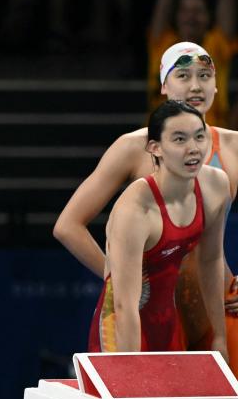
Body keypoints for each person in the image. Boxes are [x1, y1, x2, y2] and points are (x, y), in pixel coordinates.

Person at [53, 41, 238, 368]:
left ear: (217, 83)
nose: (195, 85)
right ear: (164, 86)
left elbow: (210, 254)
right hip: (154, 306)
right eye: (183, 75)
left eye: (204, 75)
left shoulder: (232, 151)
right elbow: (68, 226)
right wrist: (121, 279)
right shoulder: (133, 148)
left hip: (217, 307)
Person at [90, 101, 229, 359]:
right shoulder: (135, 210)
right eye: (179, 139)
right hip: (120, 326)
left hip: (167, 321)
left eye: (200, 137)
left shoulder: (216, 186)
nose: (194, 149)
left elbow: (211, 260)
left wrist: (219, 337)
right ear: (155, 148)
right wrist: (130, 374)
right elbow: (124, 305)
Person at [148, 0, 234, 128]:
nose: (190, 17)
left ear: (209, 18)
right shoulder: (163, 44)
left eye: (198, 11)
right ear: (176, 15)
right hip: (165, 139)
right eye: (184, 10)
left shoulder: (216, 46)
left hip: (210, 140)